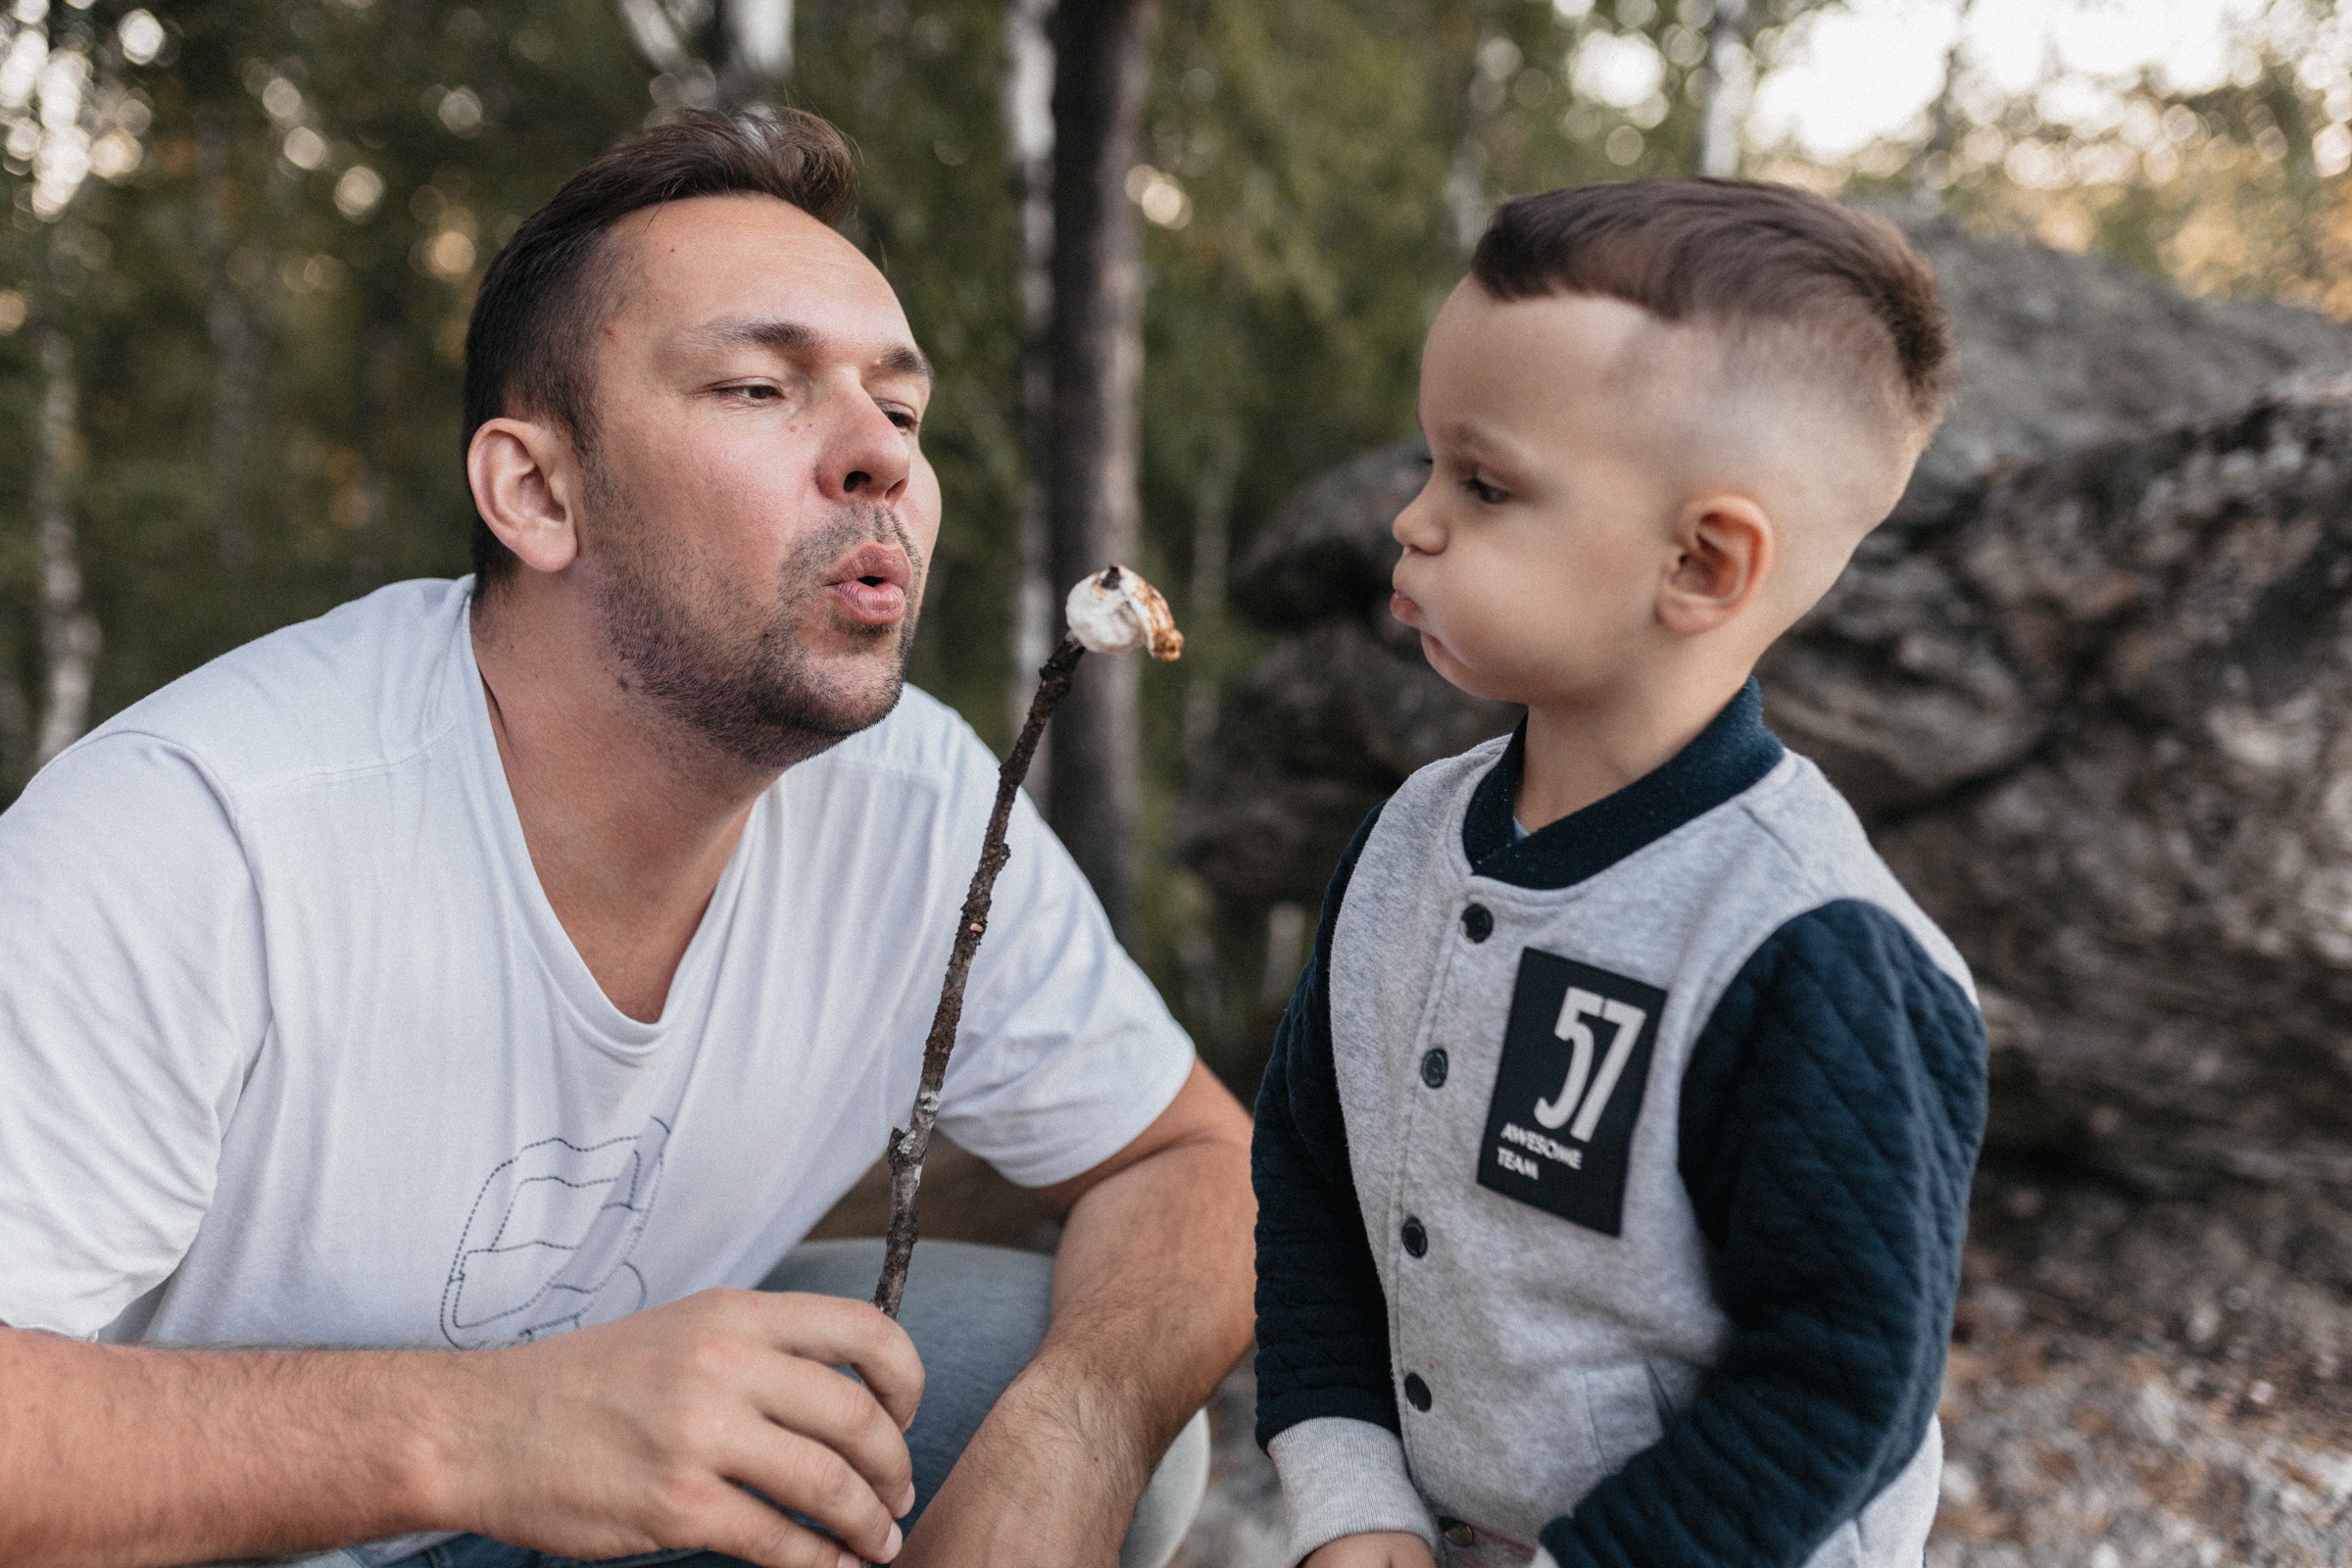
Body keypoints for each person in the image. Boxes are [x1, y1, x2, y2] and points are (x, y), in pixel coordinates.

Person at [0, 110, 1253, 1568]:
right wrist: (488, 1429)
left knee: (1047, 1378)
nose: (880, 461)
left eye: (902, 413)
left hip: (562, 1522)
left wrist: (1069, 1445)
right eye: (757, 387)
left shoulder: (910, 803)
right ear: (536, 491)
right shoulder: (196, 839)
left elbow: (1194, 1162)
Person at [1250, 180, 1990, 1568]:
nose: (1410, 521)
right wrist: (1352, 1509)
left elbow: (1837, 1386)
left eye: (1482, 483)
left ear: (1703, 562)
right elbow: (1307, 1173)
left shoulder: (1813, 952)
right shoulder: (1409, 839)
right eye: (1427, 466)